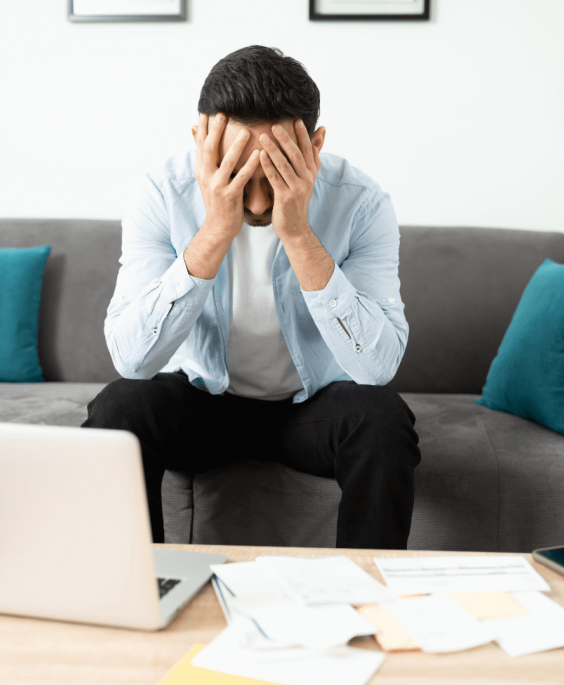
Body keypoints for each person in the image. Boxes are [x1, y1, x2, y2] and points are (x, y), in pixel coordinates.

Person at [83, 45, 421, 549]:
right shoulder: (162, 192)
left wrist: (300, 234)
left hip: (309, 410)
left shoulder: (362, 202)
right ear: (202, 140)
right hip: (202, 403)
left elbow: (376, 369)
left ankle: (363, 597)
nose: (258, 203)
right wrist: (216, 229)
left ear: (315, 143)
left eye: (275, 176)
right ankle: (133, 594)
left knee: (383, 419)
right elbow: (133, 360)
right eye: (238, 173)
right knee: (119, 408)